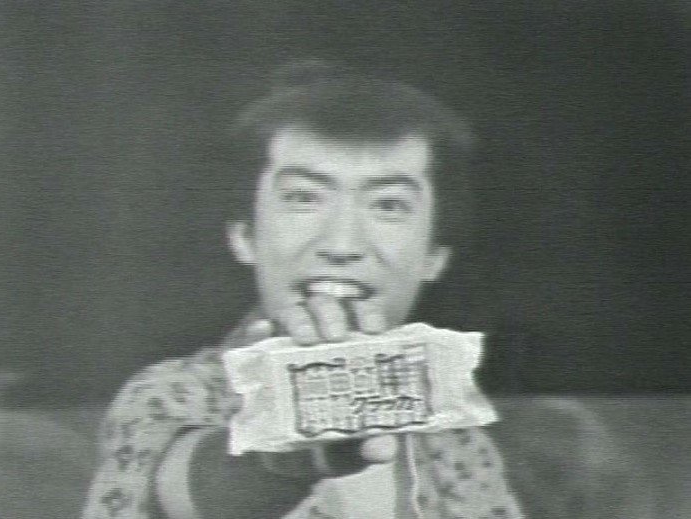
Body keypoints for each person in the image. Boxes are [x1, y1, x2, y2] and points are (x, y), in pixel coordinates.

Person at [81, 61, 524, 519]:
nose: (342, 245)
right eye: (303, 198)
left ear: (434, 256)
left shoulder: (454, 436)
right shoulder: (171, 396)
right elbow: (182, 487)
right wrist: (284, 459)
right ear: (244, 236)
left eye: (389, 205)